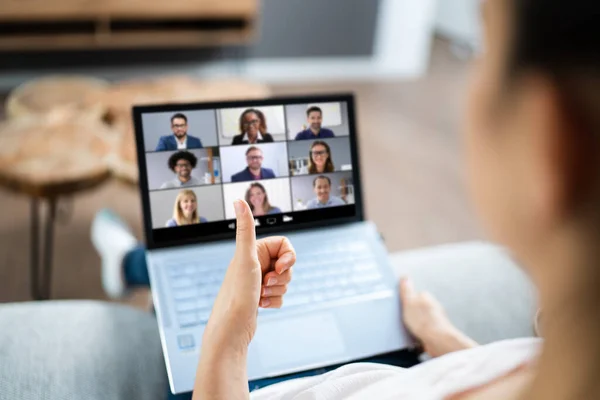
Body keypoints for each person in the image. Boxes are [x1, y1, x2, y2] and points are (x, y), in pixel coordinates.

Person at [91, 0, 600, 397]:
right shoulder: (546, 359)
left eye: (484, 52)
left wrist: (226, 335)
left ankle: (129, 263)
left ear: (551, 141)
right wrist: (445, 339)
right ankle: (131, 263)